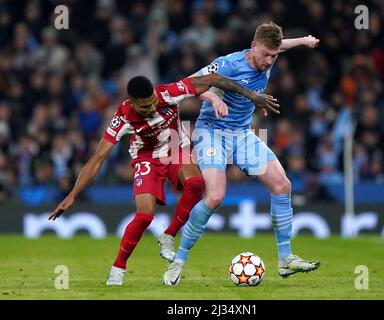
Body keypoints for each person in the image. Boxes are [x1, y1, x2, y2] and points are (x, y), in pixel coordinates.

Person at [48, 73, 279, 286]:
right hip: (146, 157)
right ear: (133, 102)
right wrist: (72, 195)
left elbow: (214, 78)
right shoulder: (122, 117)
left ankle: (169, 235)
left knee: (196, 183)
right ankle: (118, 268)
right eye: (145, 106)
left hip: (176, 147)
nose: (152, 107)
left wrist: (253, 96)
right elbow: (98, 158)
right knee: (145, 215)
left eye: (153, 102)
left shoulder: (168, 93)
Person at [163, 22, 321, 285]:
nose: (270, 60)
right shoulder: (228, 64)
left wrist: (304, 40)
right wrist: (213, 98)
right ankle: (178, 260)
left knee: (282, 185)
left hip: (243, 134)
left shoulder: (269, 54)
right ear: (253, 47)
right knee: (214, 197)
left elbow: (282, 46)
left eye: (274, 55)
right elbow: (187, 84)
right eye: (266, 55)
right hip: (211, 132)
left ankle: (285, 259)